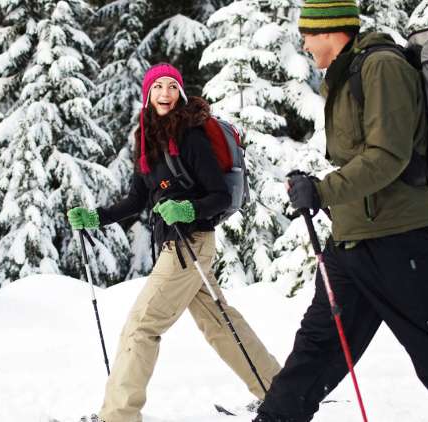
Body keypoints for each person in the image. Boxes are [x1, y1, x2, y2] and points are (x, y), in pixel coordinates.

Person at [253, 1, 428, 421]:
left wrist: (322, 190)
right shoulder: (343, 77)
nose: (302, 42)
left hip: (400, 238)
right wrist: (318, 185)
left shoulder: (381, 68)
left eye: (308, 33)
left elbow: (387, 156)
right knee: (318, 347)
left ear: (332, 31)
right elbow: (360, 157)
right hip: (353, 241)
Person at [67, 63, 281, 422]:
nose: (165, 93)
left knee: (142, 325)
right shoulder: (146, 138)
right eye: (158, 87)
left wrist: (186, 209)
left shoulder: (191, 135)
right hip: (178, 248)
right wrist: (96, 218)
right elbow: (137, 199)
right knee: (220, 321)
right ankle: (279, 391)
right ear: (148, 95)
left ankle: (118, 416)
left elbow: (218, 196)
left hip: (191, 244)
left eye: (171, 87)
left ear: (179, 93)